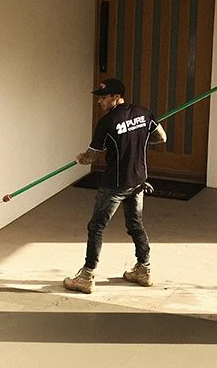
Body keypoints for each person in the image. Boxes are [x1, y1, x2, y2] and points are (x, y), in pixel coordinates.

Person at [64, 77, 167, 295]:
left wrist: (81, 158)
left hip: (115, 184)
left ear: (116, 97)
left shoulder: (107, 123)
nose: (99, 101)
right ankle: (144, 270)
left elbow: (92, 157)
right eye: (99, 97)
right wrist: (138, 141)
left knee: (96, 227)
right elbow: (161, 137)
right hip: (138, 180)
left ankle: (86, 276)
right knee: (135, 225)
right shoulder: (144, 113)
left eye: (104, 97)